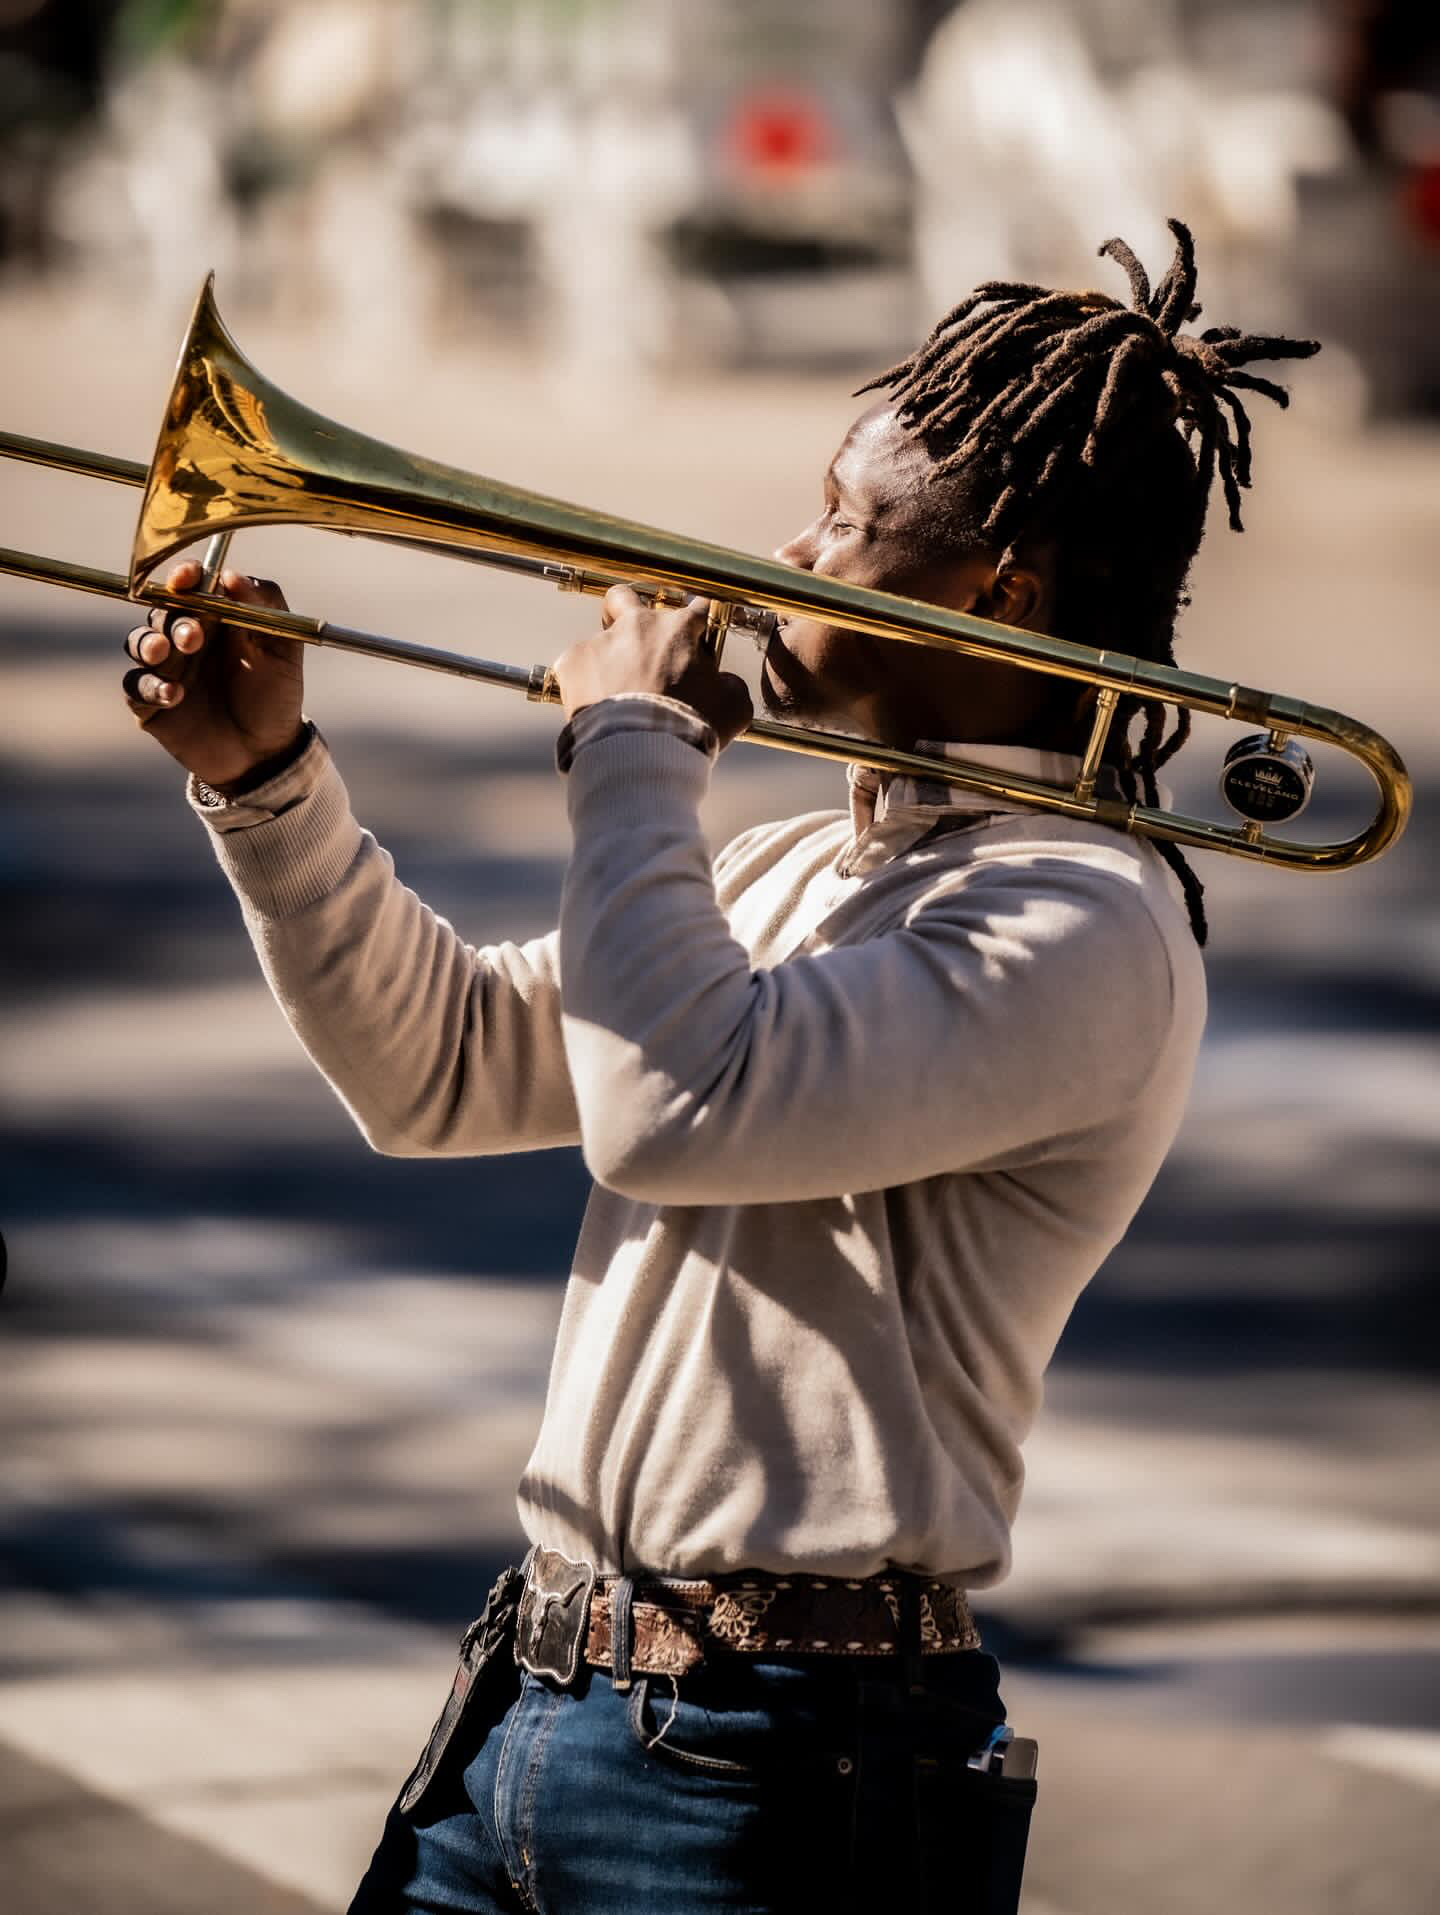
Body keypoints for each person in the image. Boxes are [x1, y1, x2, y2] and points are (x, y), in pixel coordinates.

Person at [120, 221, 1317, 1914]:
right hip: (530, 1699)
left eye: (846, 520)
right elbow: (439, 1073)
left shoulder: (1088, 919)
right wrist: (267, 783)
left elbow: (678, 1109)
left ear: (1003, 595)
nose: (786, 549)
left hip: (779, 1765)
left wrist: (631, 746)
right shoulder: (781, 868)